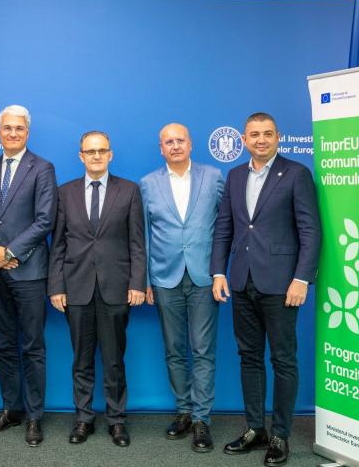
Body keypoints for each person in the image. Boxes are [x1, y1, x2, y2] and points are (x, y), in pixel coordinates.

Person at [211, 112, 321, 467]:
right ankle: (255, 428)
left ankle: (280, 435)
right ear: (243, 140)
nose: (261, 139)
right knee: (249, 357)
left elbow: (310, 230)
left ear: (278, 137)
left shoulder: (296, 174)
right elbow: (224, 227)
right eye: (254, 134)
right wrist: (218, 272)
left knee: (283, 360)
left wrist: (302, 278)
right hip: (242, 281)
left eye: (268, 134)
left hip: (282, 284)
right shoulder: (235, 175)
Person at [48, 131, 145, 447]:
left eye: (102, 150)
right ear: (81, 156)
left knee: (114, 359)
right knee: (82, 359)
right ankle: (83, 418)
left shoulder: (129, 191)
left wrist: (137, 283)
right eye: (90, 151)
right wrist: (56, 286)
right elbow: (57, 244)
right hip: (76, 288)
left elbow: (137, 242)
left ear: (110, 154)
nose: (96, 156)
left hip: (116, 288)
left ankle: (116, 420)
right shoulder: (65, 193)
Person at [0, 104, 57, 447]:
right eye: (7, 128)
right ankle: (11, 409)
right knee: (3, 345)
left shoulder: (43, 168)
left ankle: (34, 416)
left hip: (30, 272)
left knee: (33, 347)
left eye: (19, 128)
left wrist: (9, 252)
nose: (12, 133)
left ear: (27, 132)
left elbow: (45, 220)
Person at [140, 123, 224, 453]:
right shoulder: (148, 183)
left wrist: (220, 271)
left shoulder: (213, 177)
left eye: (180, 140)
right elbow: (144, 235)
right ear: (161, 148)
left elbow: (225, 227)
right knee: (174, 350)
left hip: (204, 278)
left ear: (190, 144)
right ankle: (184, 411)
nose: (175, 146)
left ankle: (202, 419)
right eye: (168, 142)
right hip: (164, 278)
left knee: (203, 350)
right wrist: (146, 280)